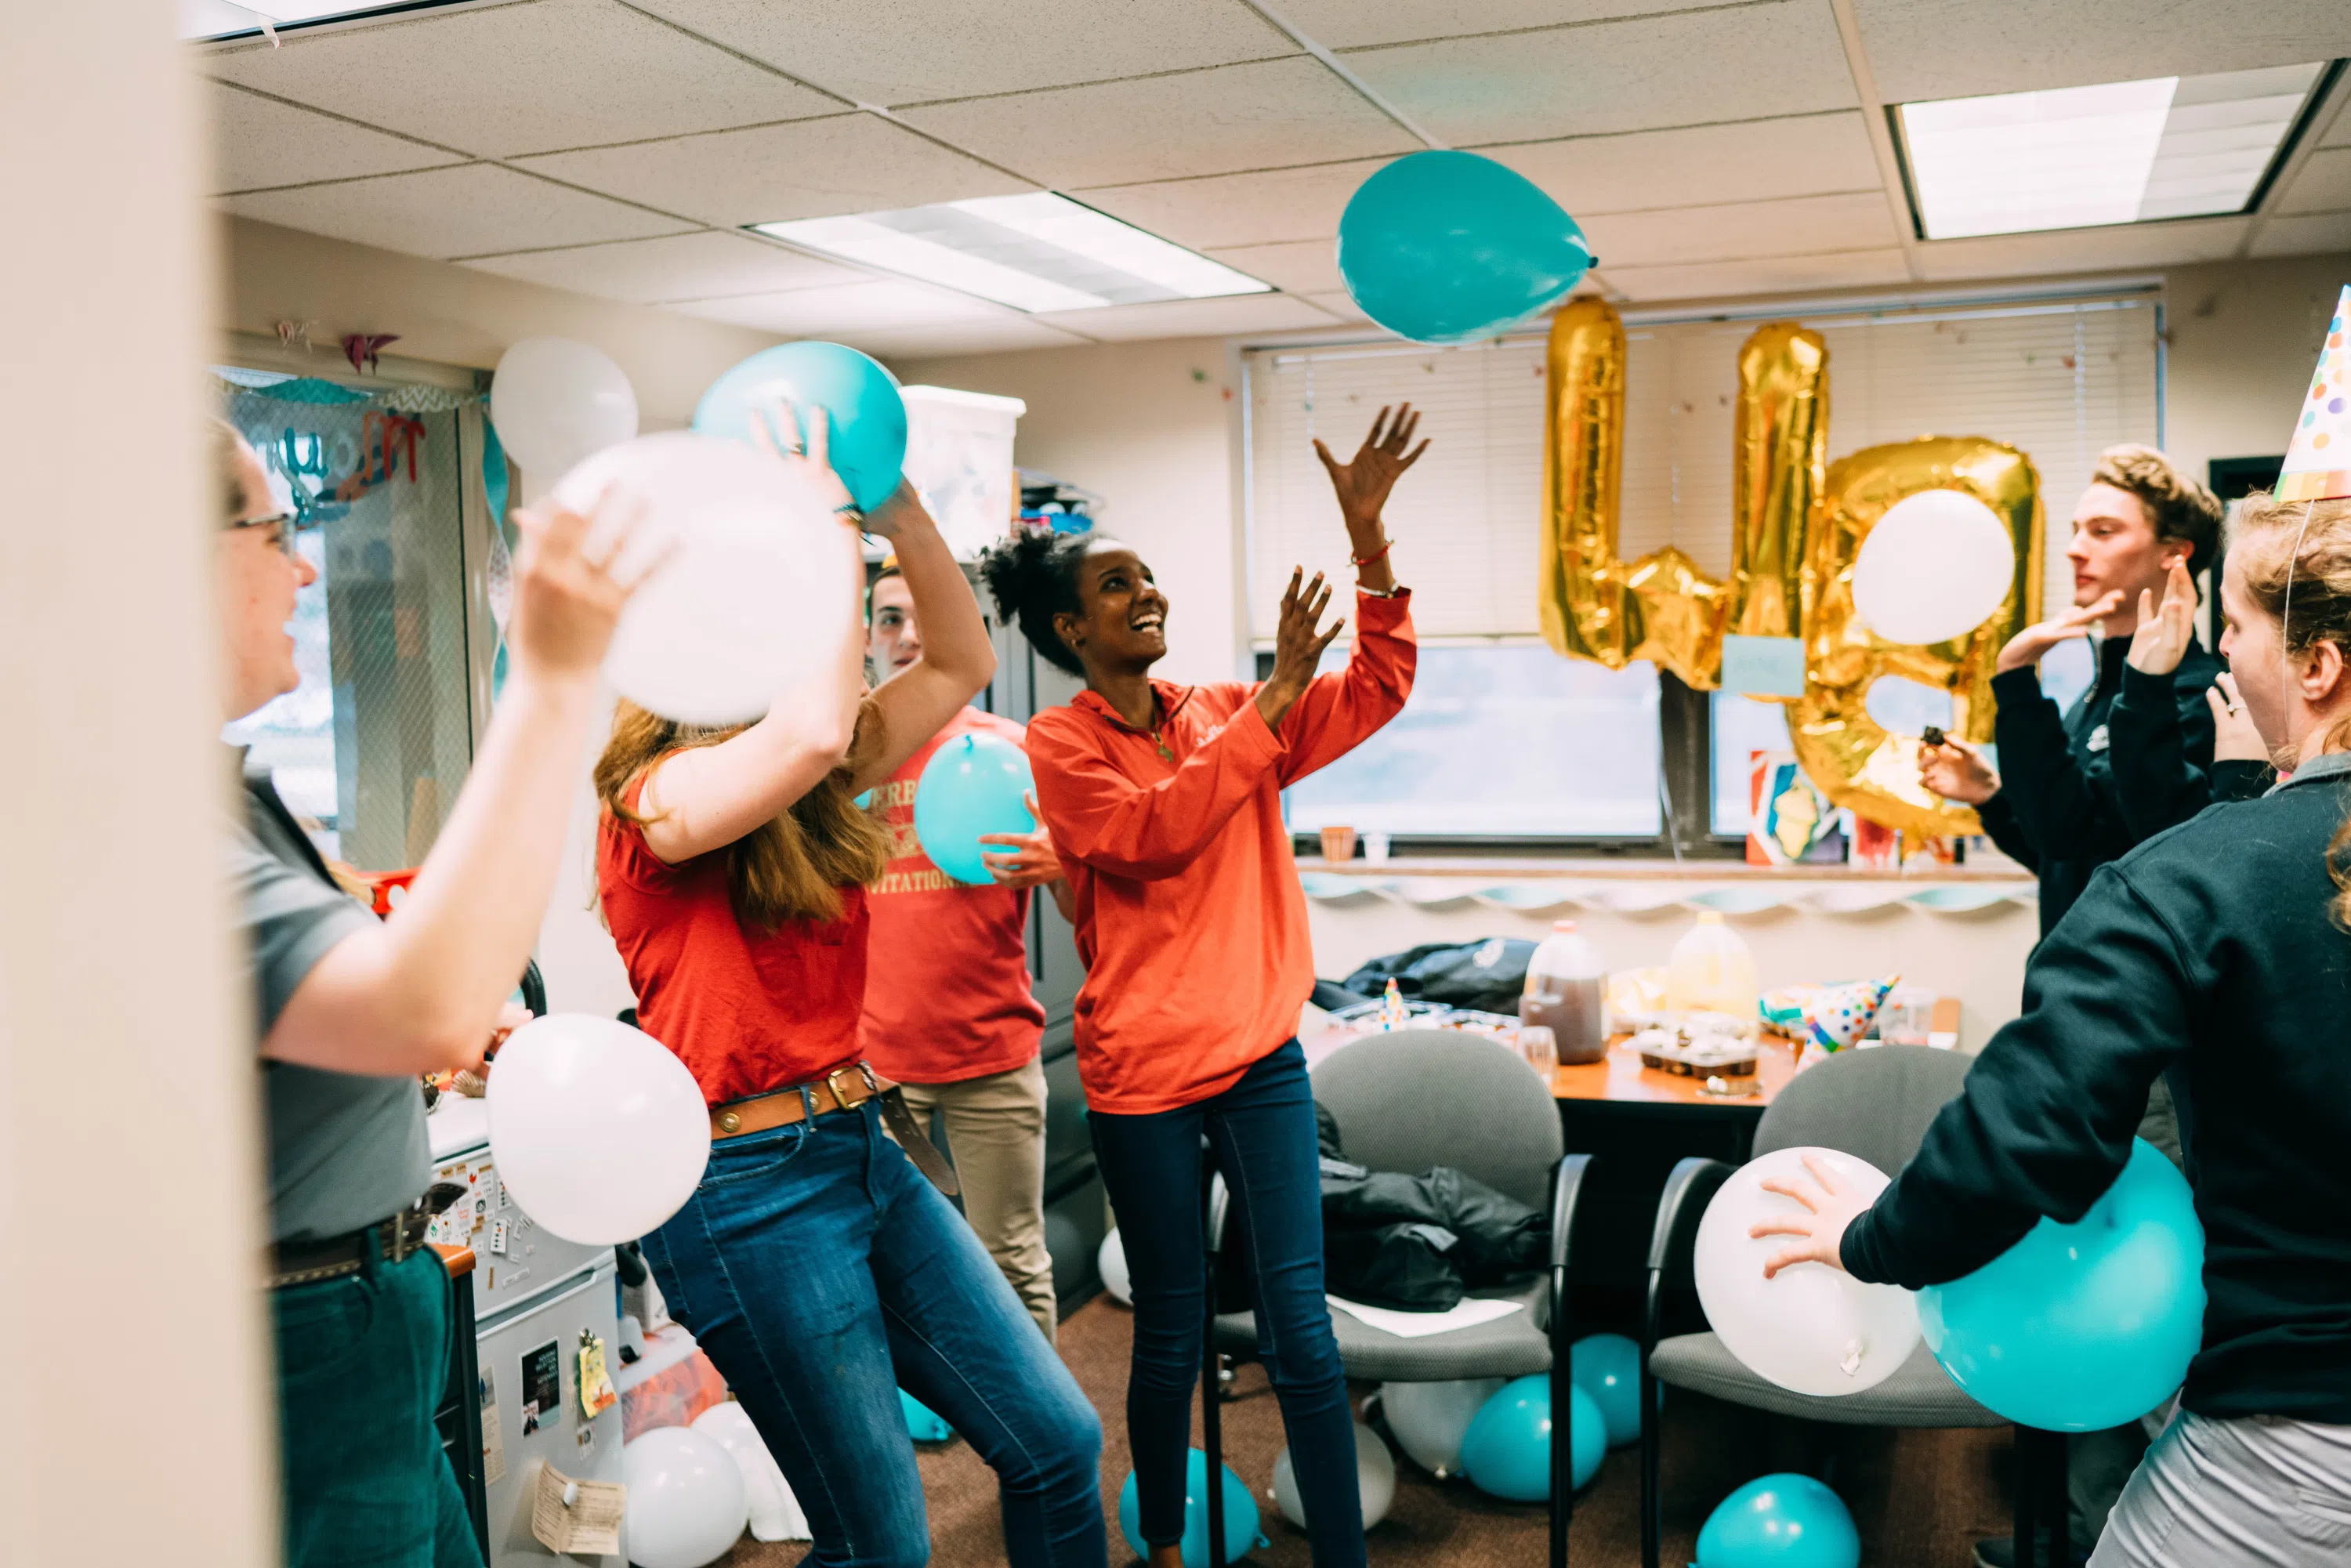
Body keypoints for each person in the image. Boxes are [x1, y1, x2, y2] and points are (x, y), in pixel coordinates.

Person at [1755, 490, 2351, 1568]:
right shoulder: (2220, 855)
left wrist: (1869, 1238)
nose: (2221, 654)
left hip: (2298, 1434)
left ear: (2317, 668)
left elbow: (2032, 1129)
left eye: (2240, 631)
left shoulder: (2196, 875)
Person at [594, 408, 1103, 1568]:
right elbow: (818, 729)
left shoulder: (816, 782)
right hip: (744, 1193)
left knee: (1058, 1442)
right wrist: (828, 527)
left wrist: (896, 501)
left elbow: (963, 662)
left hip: (863, 1149)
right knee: (882, 1543)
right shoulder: (655, 802)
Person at [985, 406, 1427, 1568]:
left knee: (1303, 1336)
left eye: (1149, 578)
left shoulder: (1230, 712)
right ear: (1072, 628)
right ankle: (1169, 1548)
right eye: (1117, 585)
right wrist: (1277, 696)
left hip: (1261, 1059)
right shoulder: (1059, 743)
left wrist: (1368, 542)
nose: (1148, 596)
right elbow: (1151, 835)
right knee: (1171, 1331)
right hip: (1143, 1080)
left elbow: (1380, 682)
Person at [215, 418, 646, 1566]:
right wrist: (552, 676)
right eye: (274, 531)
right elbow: (431, 1005)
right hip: (307, 1321)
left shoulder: (227, 788)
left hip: (370, 1301)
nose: (306, 567)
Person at [859, 559, 1075, 1341]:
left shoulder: (1012, 750)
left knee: (1011, 1261)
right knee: (885, 1266)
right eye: (889, 618)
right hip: (874, 1071)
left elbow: (1084, 913)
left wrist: (1066, 861)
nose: (909, 634)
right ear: (866, 638)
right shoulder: (841, 759)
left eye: (924, 616)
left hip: (992, 1056)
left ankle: (1043, 1456)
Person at [1921, 445, 2237, 937]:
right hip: (2068, 985)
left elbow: (2072, 834)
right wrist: (1990, 796)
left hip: (2130, 997)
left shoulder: (2198, 696)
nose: (2075, 548)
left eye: (2103, 531)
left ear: (2174, 552)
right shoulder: (2091, 699)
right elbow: (2064, 858)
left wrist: (2016, 672)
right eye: (2075, 530)